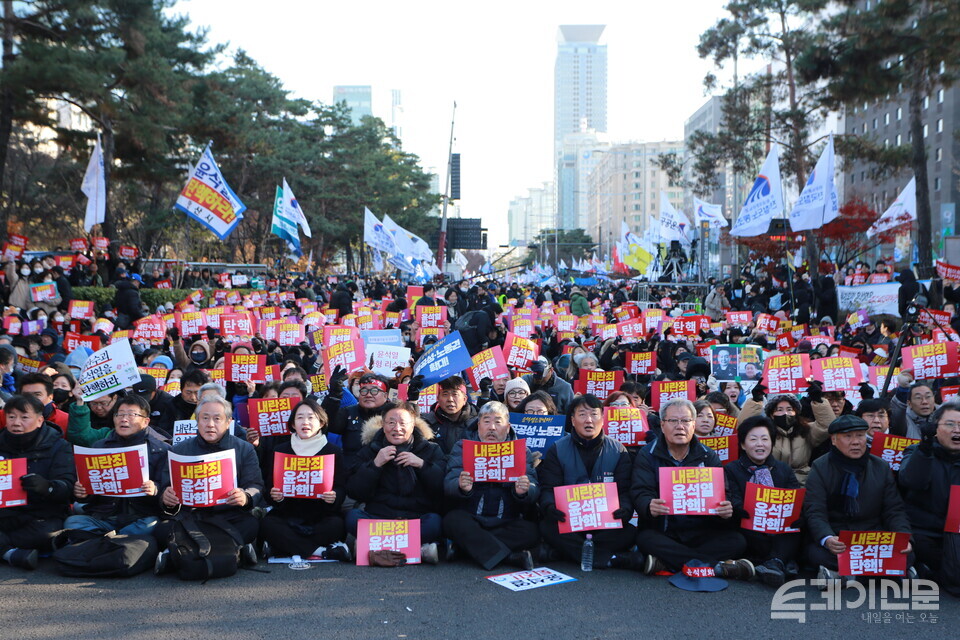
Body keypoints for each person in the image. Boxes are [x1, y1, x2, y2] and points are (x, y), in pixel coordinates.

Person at [631, 398, 753, 578]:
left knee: (737, 541)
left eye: (686, 421)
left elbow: (723, 494)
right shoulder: (647, 454)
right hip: (665, 531)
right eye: (673, 421)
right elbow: (640, 490)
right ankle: (718, 568)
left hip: (701, 531)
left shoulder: (708, 455)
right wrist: (649, 505)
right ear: (662, 425)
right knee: (644, 539)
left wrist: (725, 510)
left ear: (693, 425)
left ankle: (667, 562)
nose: (680, 426)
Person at [156, 396, 264, 571]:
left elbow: (255, 484)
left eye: (217, 418)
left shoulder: (244, 448)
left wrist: (245, 497)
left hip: (228, 515)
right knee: (162, 529)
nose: (210, 424)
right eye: (205, 418)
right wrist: (166, 497)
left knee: (251, 525)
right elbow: (165, 487)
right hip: (191, 516)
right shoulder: (179, 450)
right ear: (197, 421)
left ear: (229, 422)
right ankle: (236, 551)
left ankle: (178, 555)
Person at [803, 415, 913, 584]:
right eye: (848, 437)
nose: (856, 442)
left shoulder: (880, 466)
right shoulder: (820, 467)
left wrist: (904, 538)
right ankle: (889, 573)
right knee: (816, 553)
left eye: (860, 435)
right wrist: (828, 538)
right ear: (833, 440)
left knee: (909, 553)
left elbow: (894, 509)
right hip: (839, 537)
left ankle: (846, 576)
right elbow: (815, 510)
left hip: (873, 537)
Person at [538, 395, 639, 569]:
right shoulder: (558, 449)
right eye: (582, 414)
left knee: (630, 532)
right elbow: (548, 488)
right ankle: (607, 558)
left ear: (603, 418)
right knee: (546, 527)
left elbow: (625, 490)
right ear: (573, 420)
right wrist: (550, 507)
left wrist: (625, 509)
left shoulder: (619, 450)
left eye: (594, 414)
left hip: (605, 524)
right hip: (570, 521)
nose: (589, 420)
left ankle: (566, 554)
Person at [443, 402, 539, 570]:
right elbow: (448, 483)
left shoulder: (521, 451)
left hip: (506, 520)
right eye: (486, 421)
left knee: (532, 532)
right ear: (478, 425)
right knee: (452, 521)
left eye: (498, 422)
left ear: (508, 427)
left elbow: (533, 485)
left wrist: (524, 491)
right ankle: (510, 557)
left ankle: (466, 549)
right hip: (472, 517)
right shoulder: (463, 447)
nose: (492, 428)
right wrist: (461, 486)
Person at [345, 402, 445, 563]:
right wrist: (375, 464)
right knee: (352, 517)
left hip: (415, 518)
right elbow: (354, 491)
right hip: (379, 518)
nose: (396, 428)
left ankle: (369, 548)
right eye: (391, 422)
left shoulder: (431, 449)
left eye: (403, 423)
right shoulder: (370, 450)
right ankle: (419, 550)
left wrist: (422, 465)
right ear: (383, 425)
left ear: (413, 425)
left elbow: (441, 487)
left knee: (434, 522)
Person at [64, 395, 170, 536]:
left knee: (151, 524)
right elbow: (90, 494)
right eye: (119, 414)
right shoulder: (99, 447)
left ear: (145, 422)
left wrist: (155, 489)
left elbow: (168, 492)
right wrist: (82, 493)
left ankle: (105, 540)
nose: (124, 419)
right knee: (73, 522)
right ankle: (115, 540)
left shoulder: (160, 449)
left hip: (139, 517)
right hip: (105, 515)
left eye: (131, 415)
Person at [260, 399, 349, 561]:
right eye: (300, 417)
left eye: (311, 417)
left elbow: (341, 487)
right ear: (293, 424)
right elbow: (269, 487)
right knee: (268, 524)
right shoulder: (281, 450)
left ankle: (284, 547)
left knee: (337, 525)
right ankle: (321, 551)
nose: (305, 422)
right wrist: (275, 496)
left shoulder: (333, 451)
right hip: (287, 514)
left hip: (320, 516)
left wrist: (334, 495)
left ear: (321, 423)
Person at [0, 395, 76, 570]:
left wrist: (46, 487)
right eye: (11, 417)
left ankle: (6, 549)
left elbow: (68, 487)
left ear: (40, 420)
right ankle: (10, 553)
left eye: (24, 417)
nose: (16, 422)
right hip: (5, 514)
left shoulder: (58, 446)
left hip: (41, 516)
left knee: (48, 534)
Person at [725, 416, 802, 586]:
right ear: (743, 445)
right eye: (753, 439)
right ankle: (780, 562)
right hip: (750, 525)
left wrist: (794, 512)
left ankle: (773, 563)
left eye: (765, 439)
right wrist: (747, 509)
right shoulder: (731, 469)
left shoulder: (783, 469)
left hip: (780, 528)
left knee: (796, 527)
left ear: (772, 443)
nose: (760, 444)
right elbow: (733, 498)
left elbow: (795, 496)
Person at [898, 401, 960, 587]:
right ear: (935, 428)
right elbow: (910, 480)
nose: (957, 430)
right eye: (950, 424)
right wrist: (925, 450)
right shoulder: (918, 451)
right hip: (927, 531)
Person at [422, 376, 477, 454]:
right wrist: (413, 401)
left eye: (455, 394)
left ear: (464, 399)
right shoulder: (427, 423)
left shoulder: (476, 424)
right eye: (445, 394)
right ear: (438, 399)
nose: (450, 399)